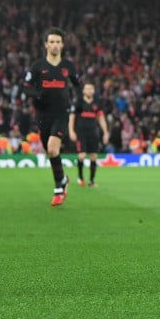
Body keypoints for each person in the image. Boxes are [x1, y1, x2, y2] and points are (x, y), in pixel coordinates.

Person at [21, 28, 81, 207]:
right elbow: (26, 87)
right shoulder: (37, 66)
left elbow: (78, 84)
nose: (55, 45)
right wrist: (37, 94)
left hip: (61, 114)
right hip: (43, 115)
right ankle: (63, 179)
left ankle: (58, 190)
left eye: (58, 42)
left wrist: (77, 99)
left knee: (53, 150)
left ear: (62, 45)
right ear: (46, 44)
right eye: (52, 42)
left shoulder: (68, 66)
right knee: (50, 152)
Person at [69, 82, 109, 188]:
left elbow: (101, 118)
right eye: (87, 89)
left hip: (93, 132)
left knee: (93, 156)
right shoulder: (78, 102)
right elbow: (72, 117)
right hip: (81, 132)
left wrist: (105, 132)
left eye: (91, 89)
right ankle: (81, 177)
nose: (89, 90)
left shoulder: (97, 103)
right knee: (81, 155)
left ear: (94, 91)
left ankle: (91, 181)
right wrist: (71, 131)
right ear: (83, 91)